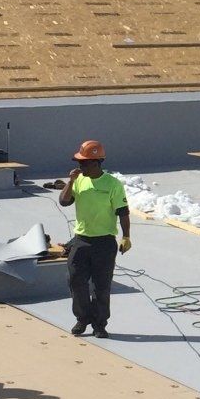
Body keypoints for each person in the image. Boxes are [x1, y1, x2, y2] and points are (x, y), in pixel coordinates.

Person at [58, 139, 131, 337]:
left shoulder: (113, 184)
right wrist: (71, 181)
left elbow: (123, 212)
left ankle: (100, 324)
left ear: (96, 163)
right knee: (75, 280)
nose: (79, 167)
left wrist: (126, 237)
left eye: (83, 163)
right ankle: (82, 319)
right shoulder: (79, 180)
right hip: (81, 240)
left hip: (105, 242)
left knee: (101, 286)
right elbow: (64, 202)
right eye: (78, 163)